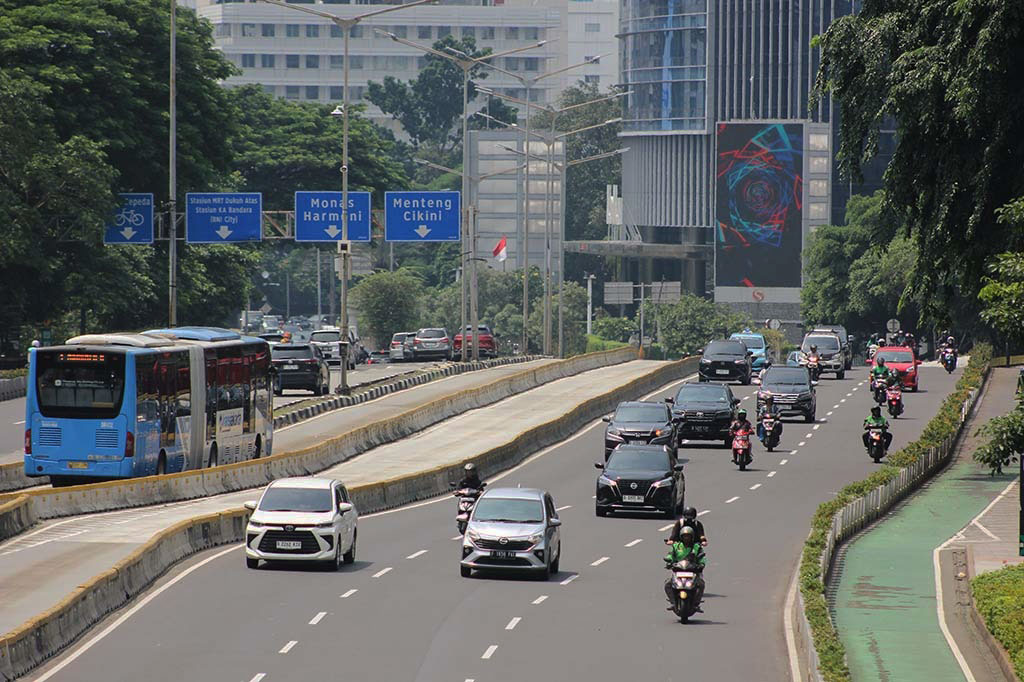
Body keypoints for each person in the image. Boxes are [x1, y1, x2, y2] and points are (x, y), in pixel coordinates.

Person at [664, 526, 707, 609]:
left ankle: (696, 603)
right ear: (681, 536)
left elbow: (702, 557)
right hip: (678, 570)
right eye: (684, 536)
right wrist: (669, 561)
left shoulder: (696, 547)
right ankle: (673, 602)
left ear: (692, 537)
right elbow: (671, 555)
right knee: (668, 584)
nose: (686, 538)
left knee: (701, 584)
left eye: (688, 536)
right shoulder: (676, 546)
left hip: (693, 570)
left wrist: (701, 564)